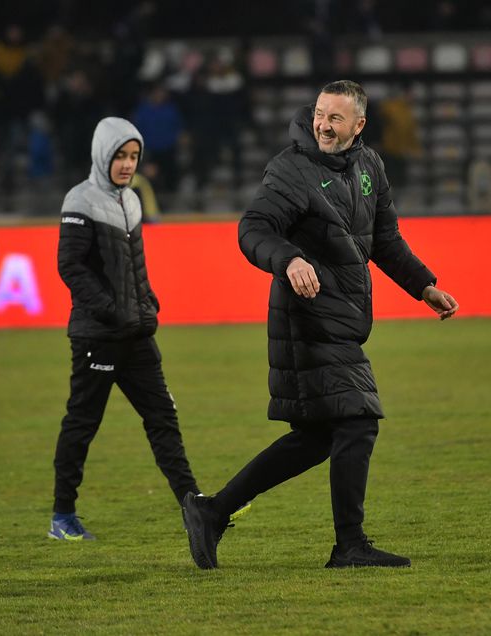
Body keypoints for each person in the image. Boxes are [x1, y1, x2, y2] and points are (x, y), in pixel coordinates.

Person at [182, 80, 458, 570]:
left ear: (359, 125)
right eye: (320, 115)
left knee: (316, 437)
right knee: (358, 420)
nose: (324, 125)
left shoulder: (370, 167)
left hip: (342, 321)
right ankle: (349, 545)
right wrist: (288, 259)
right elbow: (253, 229)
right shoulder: (292, 169)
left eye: (335, 118)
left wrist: (423, 285)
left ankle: (213, 510)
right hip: (304, 322)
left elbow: (386, 238)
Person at [49, 117, 202, 540]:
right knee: (83, 424)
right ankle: (62, 516)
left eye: (133, 156)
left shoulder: (132, 200)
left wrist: (147, 302)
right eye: (120, 155)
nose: (127, 164)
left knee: (163, 419)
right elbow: (70, 266)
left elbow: (135, 265)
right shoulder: (79, 200)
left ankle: (194, 505)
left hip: (136, 335)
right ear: (103, 154)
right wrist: (111, 309)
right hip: (96, 336)